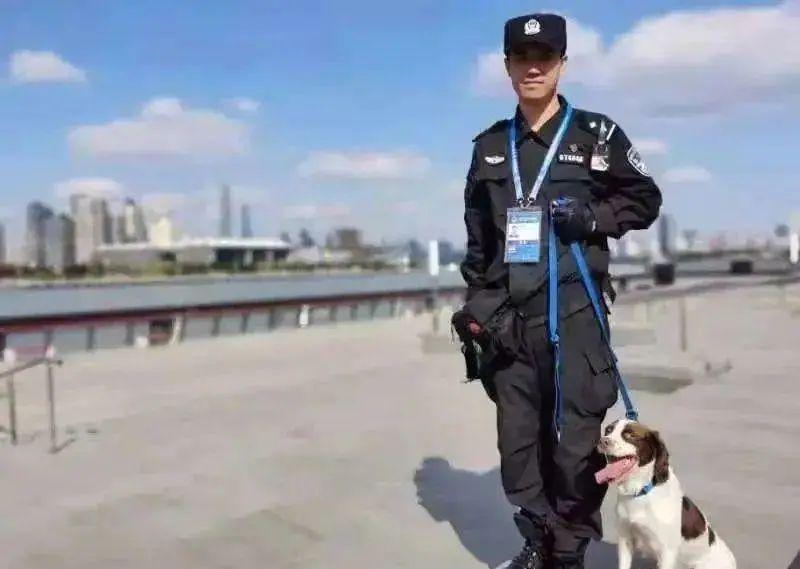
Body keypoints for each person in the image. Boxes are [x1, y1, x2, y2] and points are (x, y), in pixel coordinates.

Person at [457, 13, 662, 569]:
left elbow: (645, 199)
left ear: (562, 64)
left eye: (544, 57)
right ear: (507, 67)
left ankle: (568, 553)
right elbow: (478, 237)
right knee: (518, 446)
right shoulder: (490, 146)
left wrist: (593, 218)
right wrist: (476, 304)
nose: (533, 67)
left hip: (575, 318)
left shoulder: (596, 135)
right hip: (509, 323)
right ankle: (538, 538)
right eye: (522, 58)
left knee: (574, 446)